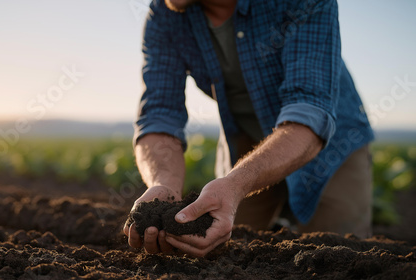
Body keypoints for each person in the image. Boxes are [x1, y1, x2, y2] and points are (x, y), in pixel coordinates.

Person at [123, 0, 374, 258]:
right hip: (244, 135)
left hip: (327, 138)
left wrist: (236, 184)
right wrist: (163, 184)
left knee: (338, 252)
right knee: (224, 245)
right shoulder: (165, 12)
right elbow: (159, 116)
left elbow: (309, 111)